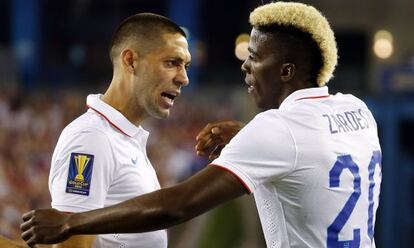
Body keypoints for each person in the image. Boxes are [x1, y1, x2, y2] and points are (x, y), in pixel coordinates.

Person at [21, 2, 382, 247]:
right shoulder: (357, 111)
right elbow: (310, 149)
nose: (244, 66)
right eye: (171, 63)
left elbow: (180, 204)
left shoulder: (276, 130)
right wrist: (249, 137)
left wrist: (70, 222)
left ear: (286, 71)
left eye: (254, 58)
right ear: (130, 61)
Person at [20, 13, 190, 248]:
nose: (184, 78)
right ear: (130, 61)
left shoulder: (122, 137)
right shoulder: (91, 139)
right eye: (172, 62)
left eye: (186, 66)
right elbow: (72, 246)